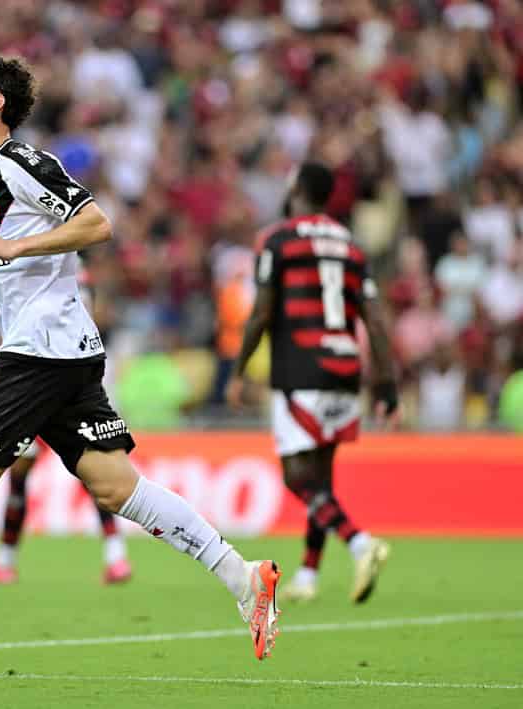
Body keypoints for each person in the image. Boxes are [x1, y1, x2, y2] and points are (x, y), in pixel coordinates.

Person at [0, 51, 282, 679]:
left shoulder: (22, 163)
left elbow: (96, 222)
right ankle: (242, 575)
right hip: (62, 350)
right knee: (118, 487)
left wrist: (18, 242)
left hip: (39, 349)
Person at [226, 162, 399, 605]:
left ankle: (361, 542)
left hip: (300, 367)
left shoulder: (277, 239)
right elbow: (375, 322)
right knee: (321, 477)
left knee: (296, 477)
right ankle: (308, 574)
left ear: (298, 190)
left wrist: (238, 369)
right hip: (345, 368)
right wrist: (387, 386)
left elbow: (262, 312)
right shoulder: (353, 246)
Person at [0, 437, 133, 585]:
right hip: (71, 418)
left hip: (34, 418)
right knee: (91, 477)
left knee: (18, 478)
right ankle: (117, 558)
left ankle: (5, 562)